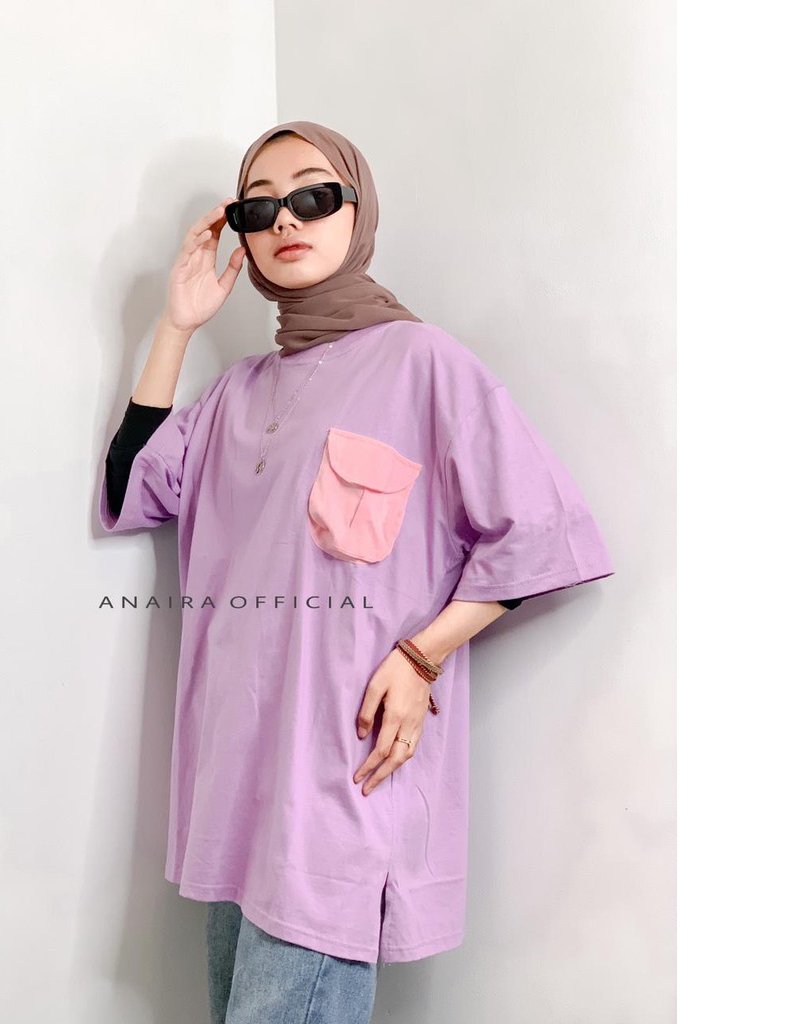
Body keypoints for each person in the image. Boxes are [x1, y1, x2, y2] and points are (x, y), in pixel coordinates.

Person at [97, 121, 615, 1023]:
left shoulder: (424, 363)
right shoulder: (234, 393)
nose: (285, 219)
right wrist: (176, 326)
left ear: (357, 209)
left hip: (344, 778)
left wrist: (422, 656)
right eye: (259, 207)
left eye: (313, 194)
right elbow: (131, 485)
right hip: (235, 784)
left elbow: (542, 531)